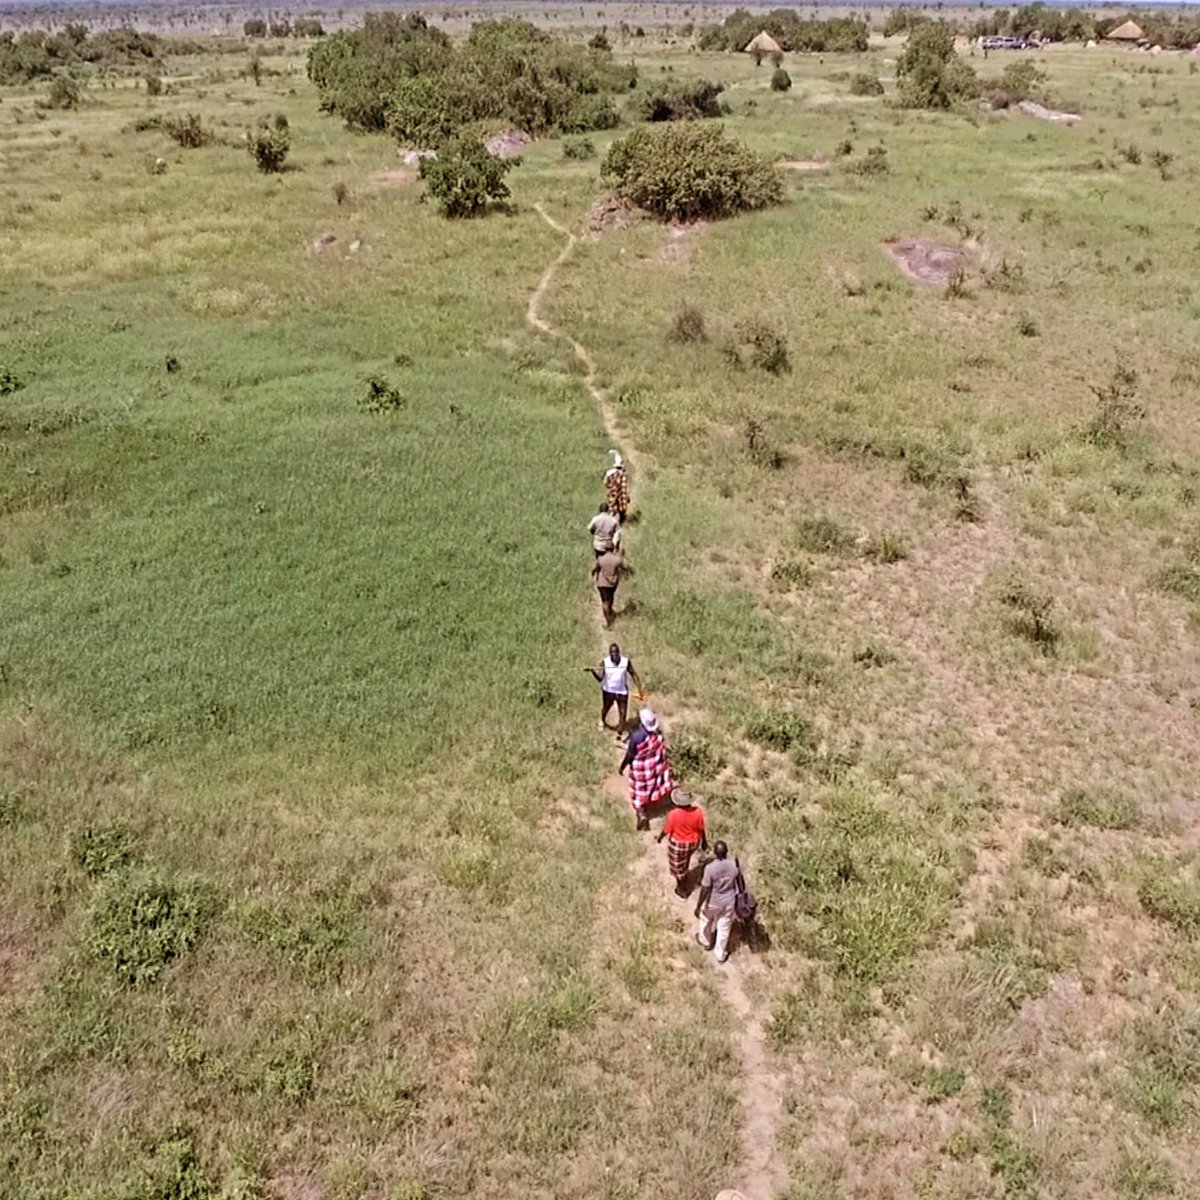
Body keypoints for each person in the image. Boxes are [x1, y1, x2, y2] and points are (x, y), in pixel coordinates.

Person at [618, 707, 673, 831]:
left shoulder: (637, 737)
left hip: (641, 769)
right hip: (653, 766)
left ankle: (641, 814)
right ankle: (652, 801)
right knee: (651, 785)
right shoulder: (657, 734)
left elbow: (630, 755)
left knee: (638, 790)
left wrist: (622, 766)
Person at [656, 788, 707, 896]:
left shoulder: (674, 814)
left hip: (678, 844)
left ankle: (682, 888)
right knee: (686, 859)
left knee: (676, 866)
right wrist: (704, 842)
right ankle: (685, 873)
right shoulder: (698, 811)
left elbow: (666, 830)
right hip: (693, 842)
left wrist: (660, 838)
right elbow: (701, 829)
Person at [694, 841, 739, 963]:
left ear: (714, 853)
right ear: (726, 852)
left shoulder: (710, 868)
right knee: (724, 927)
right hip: (729, 901)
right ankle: (720, 954)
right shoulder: (733, 865)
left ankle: (706, 941)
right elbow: (738, 881)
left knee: (705, 919)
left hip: (713, 901)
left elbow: (705, 888)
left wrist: (698, 906)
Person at [585, 643, 642, 735]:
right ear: (609, 653)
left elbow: (633, 674)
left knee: (623, 712)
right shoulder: (605, 662)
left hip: (622, 691)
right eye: (612, 653)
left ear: (619, 652)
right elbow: (600, 678)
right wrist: (592, 671)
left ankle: (619, 733)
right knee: (606, 708)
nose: (614, 654)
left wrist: (639, 687)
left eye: (616, 652)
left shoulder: (625, 662)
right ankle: (602, 720)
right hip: (608, 691)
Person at [591, 546, 626, 628]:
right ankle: (610, 611)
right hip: (613, 583)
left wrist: (593, 574)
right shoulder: (617, 559)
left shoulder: (601, 559)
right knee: (610, 598)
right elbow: (625, 567)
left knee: (604, 602)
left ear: (605, 550)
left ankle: (608, 620)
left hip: (602, 583)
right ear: (613, 549)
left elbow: (594, 569)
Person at [604, 450, 631, 523]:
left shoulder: (609, 473)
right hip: (621, 495)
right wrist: (627, 496)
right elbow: (624, 487)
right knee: (620, 509)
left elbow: (606, 483)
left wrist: (609, 487)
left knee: (612, 507)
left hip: (612, 494)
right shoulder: (623, 474)